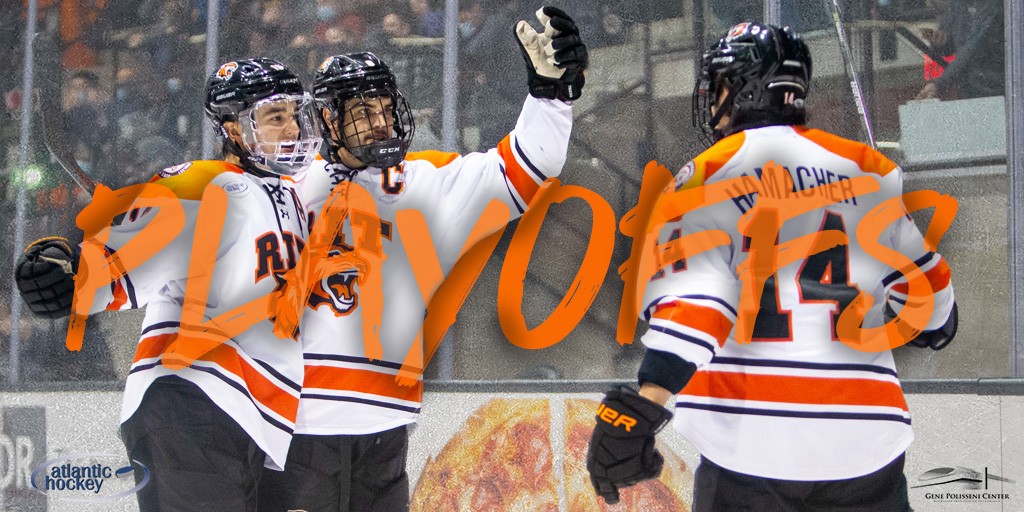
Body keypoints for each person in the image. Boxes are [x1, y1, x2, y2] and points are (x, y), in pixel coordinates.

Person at [586, 23, 958, 511]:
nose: (713, 99)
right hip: (867, 444)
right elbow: (934, 309)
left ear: (745, 90)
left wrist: (643, 407)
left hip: (752, 448)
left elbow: (697, 307)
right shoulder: (868, 169)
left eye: (719, 85)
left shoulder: (706, 176)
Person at [256, 7, 587, 511]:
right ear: (327, 120)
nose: (381, 121)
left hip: (386, 423)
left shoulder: (425, 183)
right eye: (363, 113)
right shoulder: (282, 190)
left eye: (385, 108)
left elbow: (526, 165)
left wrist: (550, 97)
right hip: (295, 423)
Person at [14, 58, 322, 511]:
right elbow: (132, 255)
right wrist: (78, 274)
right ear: (234, 130)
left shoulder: (291, 200)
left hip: (254, 420)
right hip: (193, 402)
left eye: (295, 114)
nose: (292, 127)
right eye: (275, 117)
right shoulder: (206, 184)